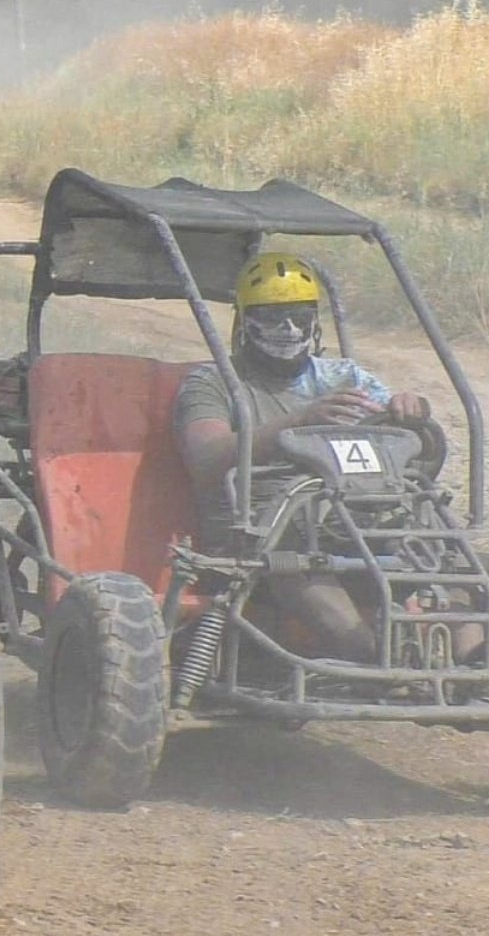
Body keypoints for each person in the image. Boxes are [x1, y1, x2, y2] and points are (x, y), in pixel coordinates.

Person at [173, 250, 433, 663]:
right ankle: (377, 659)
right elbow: (206, 458)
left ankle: (485, 658)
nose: (288, 329)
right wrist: (299, 421)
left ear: (315, 321)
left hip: (355, 521)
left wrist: (411, 415)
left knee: (437, 547)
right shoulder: (215, 382)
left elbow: (417, 454)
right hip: (262, 531)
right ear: (245, 320)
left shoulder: (345, 377)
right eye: (272, 317)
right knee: (295, 563)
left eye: (299, 315)